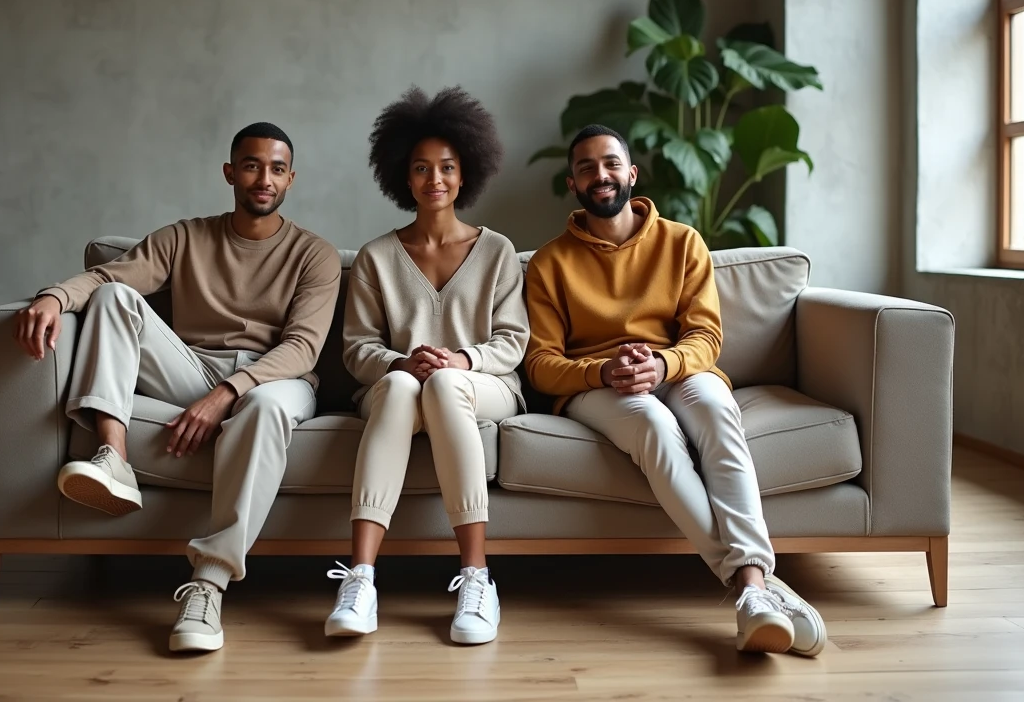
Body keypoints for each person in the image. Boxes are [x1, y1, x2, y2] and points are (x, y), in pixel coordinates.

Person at [14, 122, 341, 655]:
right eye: (253, 165)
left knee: (261, 408)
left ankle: (208, 586)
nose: (265, 178)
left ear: (291, 179)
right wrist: (52, 298)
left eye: (277, 169)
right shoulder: (185, 236)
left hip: (277, 379)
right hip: (190, 366)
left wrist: (225, 395)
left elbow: (302, 348)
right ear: (230, 173)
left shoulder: (315, 254)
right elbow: (105, 278)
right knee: (115, 298)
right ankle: (113, 458)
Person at [523, 124, 827, 657]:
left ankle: (750, 590)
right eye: (587, 167)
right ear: (571, 183)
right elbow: (542, 365)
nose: (601, 174)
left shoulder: (683, 242)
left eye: (611, 163)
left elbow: (706, 337)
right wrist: (602, 371)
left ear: (631, 173)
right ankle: (754, 588)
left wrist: (663, 365)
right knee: (652, 425)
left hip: (677, 371)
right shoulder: (550, 263)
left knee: (714, 408)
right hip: (601, 383)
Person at [324, 86, 528, 645]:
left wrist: (461, 360)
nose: (434, 179)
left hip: (483, 385)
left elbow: (514, 342)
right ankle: (360, 579)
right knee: (396, 389)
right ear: (402, 177)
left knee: (443, 386)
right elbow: (358, 348)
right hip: (399, 387)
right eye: (421, 168)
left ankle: (476, 579)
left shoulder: (499, 252)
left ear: (466, 174)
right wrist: (402, 361)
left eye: (446, 167)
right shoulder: (375, 257)